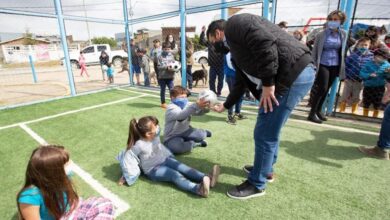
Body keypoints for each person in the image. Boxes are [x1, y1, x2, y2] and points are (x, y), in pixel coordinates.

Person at [208, 14, 315, 199]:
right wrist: (225, 106)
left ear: (218, 33)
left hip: (292, 75)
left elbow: (265, 43)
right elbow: (241, 84)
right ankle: (266, 170)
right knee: (271, 129)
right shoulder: (236, 52)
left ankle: (257, 183)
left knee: (264, 133)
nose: (214, 46)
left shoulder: (235, 24)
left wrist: (267, 84)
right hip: (293, 74)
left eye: (212, 41)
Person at [124, 116, 220, 197]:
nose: (157, 128)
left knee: (183, 167)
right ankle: (198, 189)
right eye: (155, 127)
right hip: (153, 169)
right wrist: (127, 175)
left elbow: (157, 129)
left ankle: (206, 177)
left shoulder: (155, 134)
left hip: (164, 160)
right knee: (174, 174)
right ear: (148, 134)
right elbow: (129, 159)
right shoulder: (139, 145)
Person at [17, 145, 114, 219]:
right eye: (66, 163)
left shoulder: (61, 179)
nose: (70, 164)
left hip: (69, 212)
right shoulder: (30, 196)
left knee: (105, 204)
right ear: (53, 171)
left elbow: (71, 201)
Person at [308, 10, 347, 124]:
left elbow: (343, 50)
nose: (333, 22)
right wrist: (313, 64)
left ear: (341, 22)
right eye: (331, 19)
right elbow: (315, 50)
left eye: (336, 20)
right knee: (322, 88)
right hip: (323, 63)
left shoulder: (343, 34)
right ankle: (312, 113)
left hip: (335, 64)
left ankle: (319, 111)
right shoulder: (321, 34)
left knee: (327, 88)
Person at [163, 86, 212, 154]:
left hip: (186, 130)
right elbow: (181, 115)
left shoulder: (187, 104)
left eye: (185, 97)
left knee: (201, 136)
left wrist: (205, 108)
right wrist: (196, 105)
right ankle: (195, 143)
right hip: (172, 136)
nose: (184, 99)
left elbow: (199, 113)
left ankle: (204, 132)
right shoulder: (171, 108)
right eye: (181, 97)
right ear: (172, 98)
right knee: (176, 148)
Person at [339, 37, 373, 114]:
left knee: (357, 96)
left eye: (365, 45)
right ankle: (342, 108)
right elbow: (346, 66)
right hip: (350, 79)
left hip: (361, 80)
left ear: (369, 46)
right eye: (361, 45)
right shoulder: (353, 55)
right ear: (357, 46)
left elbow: (371, 68)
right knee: (345, 94)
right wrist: (345, 77)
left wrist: (368, 77)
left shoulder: (371, 57)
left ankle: (354, 110)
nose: (363, 47)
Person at [359, 47, 390, 117]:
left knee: (377, 102)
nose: (383, 60)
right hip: (368, 86)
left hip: (380, 87)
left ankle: (375, 116)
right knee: (366, 101)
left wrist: (387, 73)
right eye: (381, 58)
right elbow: (361, 73)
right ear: (375, 56)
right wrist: (369, 75)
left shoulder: (387, 65)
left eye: (385, 58)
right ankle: (365, 115)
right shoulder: (368, 64)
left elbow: (388, 77)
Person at [200, 25, 225, 96]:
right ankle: (213, 92)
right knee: (211, 81)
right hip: (213, 66)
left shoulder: (222, 42)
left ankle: (219, 92)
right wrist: (202, 32)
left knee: (220, 81)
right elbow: (202, 41)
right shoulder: (210, 43)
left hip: (221, 65)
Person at [224, 52, 247, 125]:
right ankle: (230, 115)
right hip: (231, 76)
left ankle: (237, 113)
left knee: (240, 95)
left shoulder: (235, 48)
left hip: (238, 75)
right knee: (233, 95)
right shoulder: (228, 51)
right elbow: (231, 64)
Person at [158, 42, 176, 109]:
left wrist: (174, 69)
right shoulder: (159, 57)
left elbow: (174, 65)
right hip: (162, 77)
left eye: (168, 49)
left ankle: (173, 102)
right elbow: (159, 67)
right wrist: (167, 67)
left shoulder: (172, 56)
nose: (167, 50)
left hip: (170, 77)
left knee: (172, 90)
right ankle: (163, 103)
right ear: (162, 49)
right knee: (163, 90)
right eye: (165, 49)